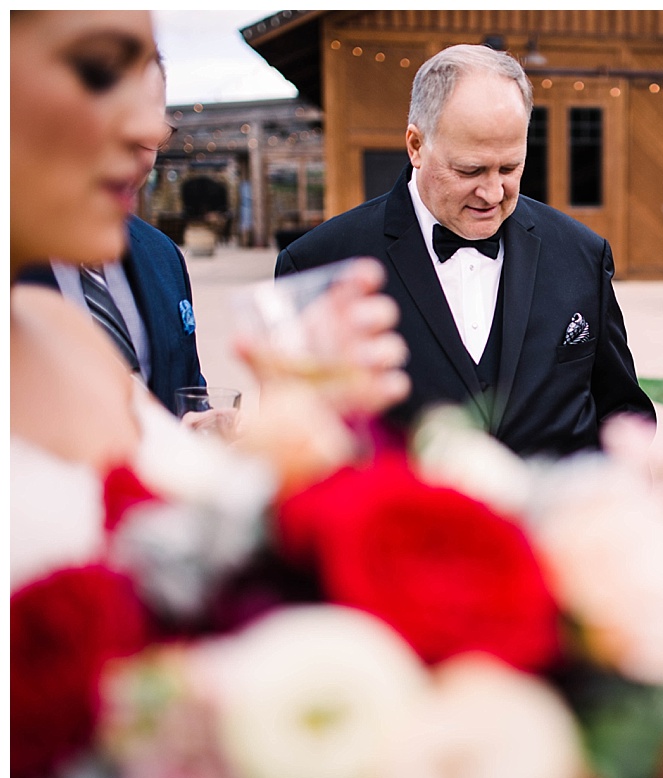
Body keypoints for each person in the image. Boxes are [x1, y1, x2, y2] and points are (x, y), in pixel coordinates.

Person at [10, 10, 408, 595]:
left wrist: (295, 423)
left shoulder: (55, 330)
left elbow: (167, 540)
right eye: (97, 69)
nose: (145, 132)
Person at [275, 43, 654, 458]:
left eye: (510, 168)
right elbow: (292, 443)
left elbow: (623, 413)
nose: (493, 193)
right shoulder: (317, 264)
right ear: (416, 145)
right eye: (469, 170)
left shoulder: (583, 254)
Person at [17, 55, 205, 411]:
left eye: (149, 135)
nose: (133, 161)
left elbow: (188, 391)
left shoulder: (163, 255)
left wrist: (197, 430)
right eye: (114, 129)